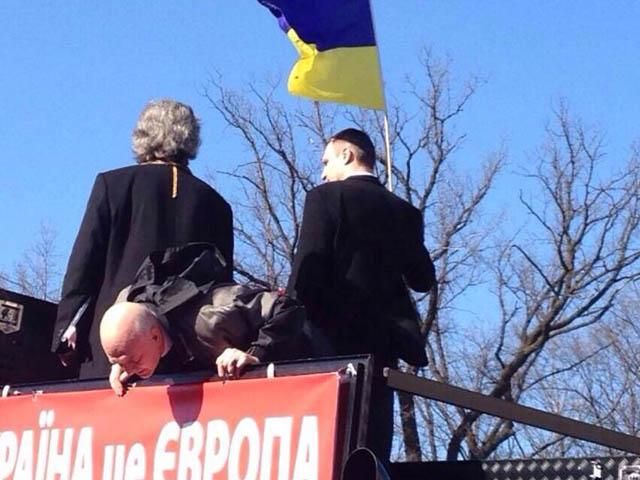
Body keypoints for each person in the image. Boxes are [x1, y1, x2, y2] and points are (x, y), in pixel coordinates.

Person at [52, 99, 234, 379]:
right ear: (191, 139)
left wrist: (66, 330)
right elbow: (223, 289)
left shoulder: (113, 186)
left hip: (113, 351)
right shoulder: (217, 205)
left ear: (142, 135)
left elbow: (84, 266)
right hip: (186, 357)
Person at [287, 128, 436, 462]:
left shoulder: (325, 198)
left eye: (326, 161)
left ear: (347, 155)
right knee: (372, 447)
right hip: (382, 347)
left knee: (327, 444)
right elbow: (423, 279)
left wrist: (284, 327)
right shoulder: (405, 212)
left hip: (327, 342)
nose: (324, 171)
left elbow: (305, 274)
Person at [100, 243, 308, 396]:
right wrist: (124, 363)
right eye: (118, 362)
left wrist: (256, 354)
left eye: (135, 360)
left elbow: (288, 308)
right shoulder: (128, 306)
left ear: (155, 336)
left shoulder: (215, 313)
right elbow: (127, 341)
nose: (130, 369)